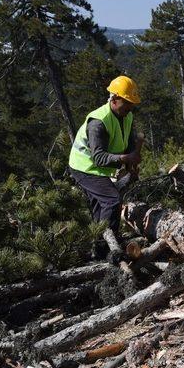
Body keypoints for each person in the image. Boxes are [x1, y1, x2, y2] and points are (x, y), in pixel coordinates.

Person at [68, 75, 142, 262]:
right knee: (112, 200)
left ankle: (98, 251)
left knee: (100, 207)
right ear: (115, 99)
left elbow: (128, 141)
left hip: (98, 167)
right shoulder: (98, 122)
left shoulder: (126, 115)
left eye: (132, 103)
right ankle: (109, 248)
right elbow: (99, 157)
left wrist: (130, 163)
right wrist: (126, 158)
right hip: (84, 167)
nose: (130, 107)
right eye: (127, 102)